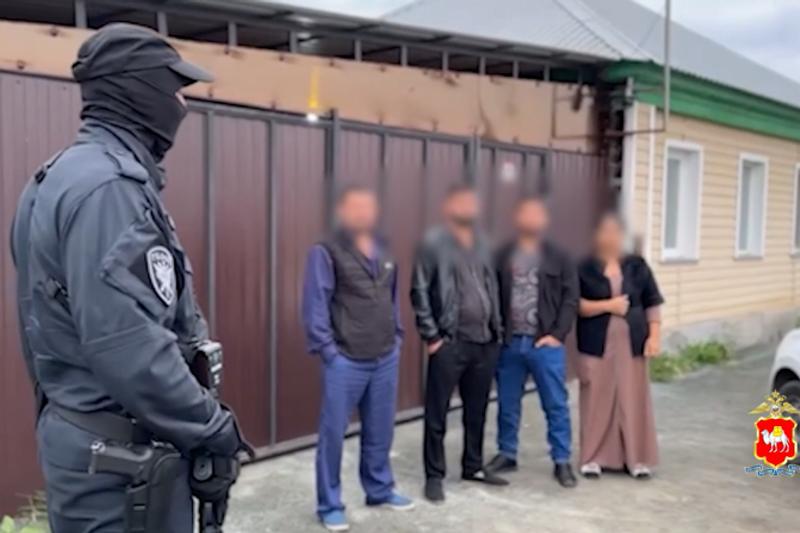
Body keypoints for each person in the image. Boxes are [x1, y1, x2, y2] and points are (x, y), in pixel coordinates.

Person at [10, 24, 249, 533]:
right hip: (120, 473)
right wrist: (212, 429)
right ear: (140, 92)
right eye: (175, 89)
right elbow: (130, 348)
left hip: (91, 448)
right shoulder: (109, 189)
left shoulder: (55, 176)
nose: (182, 104)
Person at [302, 186, 414, 532]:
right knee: (333, 434)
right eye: (356, 207)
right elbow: (315, 304)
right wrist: (328, 351)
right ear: (342, 212)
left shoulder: (385, 249)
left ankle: (379, 489)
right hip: (345, 360)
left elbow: (393, 297)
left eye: (369, 206)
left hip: (385, 356)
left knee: (380, 430)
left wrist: (397, 337)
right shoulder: (325, 251)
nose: (364, 212)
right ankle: (329, 504)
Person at [411, 184, 507, 504]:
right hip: (450, 342)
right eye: (462, 202)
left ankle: (473, 466)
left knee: (477, 411)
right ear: (449, 207)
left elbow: (494, 287)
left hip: (485, 342)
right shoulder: (433, 243)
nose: (469, 207)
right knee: (437, 414)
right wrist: (432, 337)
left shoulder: (484, 243)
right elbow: (419, 290)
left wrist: (498, 332)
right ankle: (434, 476)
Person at [485, 196, 580, 488]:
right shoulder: (502, 254)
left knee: (555, 403)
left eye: (537, 214)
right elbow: (490, 293)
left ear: (545, 220)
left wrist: (557, 335)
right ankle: (507, 453)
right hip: (510, 343)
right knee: (507, 402)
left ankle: (561, 459)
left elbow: (570, 298)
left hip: (544, 344)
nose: (531, 219)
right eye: (526, 213)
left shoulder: (559, 256)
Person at [576, 213, 664, 479]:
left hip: (632, 343)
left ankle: (637, 459)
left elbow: (652, 302)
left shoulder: (637, 265)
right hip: (596, 343)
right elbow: (575, 304)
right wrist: (609, 306)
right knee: (596, 399)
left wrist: (654, 336)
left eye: (615, 232)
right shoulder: (584, 266)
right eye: (605, 231)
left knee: (633, 398)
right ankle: (593, 458)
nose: (610, 237)